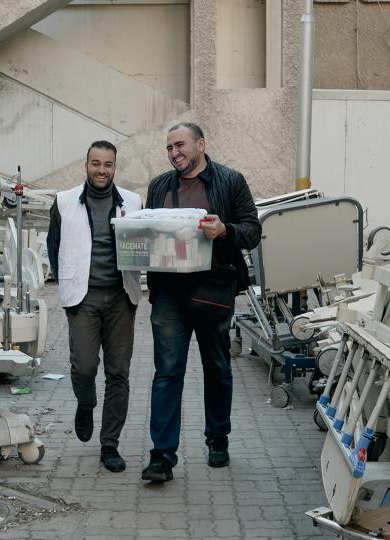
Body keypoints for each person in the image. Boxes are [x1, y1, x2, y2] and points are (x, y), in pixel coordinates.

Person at [141, 122, 260, 482]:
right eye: (168, 148)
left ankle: (218, 439)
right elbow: (150, 231)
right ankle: (162, 456)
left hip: (212, 288)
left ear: (201, 144)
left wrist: (225, 230)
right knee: (166, 372)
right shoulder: (159, 185)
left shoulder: (231, 181)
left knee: (218, 368)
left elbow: (252, 231)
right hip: (168, 293)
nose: (173, 153)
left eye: (180, 145)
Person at [46, 140, 142, 472]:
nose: (102, 170)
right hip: (83, 300)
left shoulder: (132, 201)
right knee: (84, 367)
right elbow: (53, 245)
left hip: (120, 298)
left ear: (115, 167)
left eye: (108, 165)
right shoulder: (63, 201)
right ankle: (86, 404)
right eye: (95, 163)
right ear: (86, 164)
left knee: (119, 372)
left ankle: (110, 445)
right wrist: (67, 280)